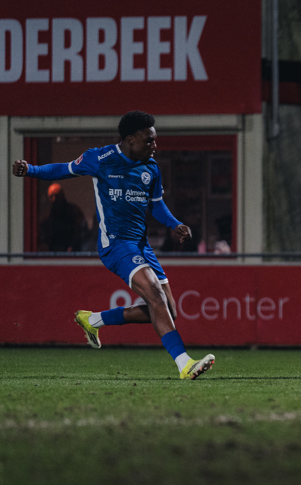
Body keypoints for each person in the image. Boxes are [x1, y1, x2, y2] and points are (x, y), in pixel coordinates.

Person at [12, 111, 215, 380]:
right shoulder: (100, 158)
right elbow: (64, 169)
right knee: (155, 295)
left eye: (155, 140)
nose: (155, 146)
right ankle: (185, 364)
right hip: (116, 245)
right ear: (130, 140)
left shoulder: (151, 168)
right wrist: (31, 170)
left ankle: (93, 320)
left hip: (142, 247)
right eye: (149, 141)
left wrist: (175, 224)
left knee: (169, 310)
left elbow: (157, 206)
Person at [41, 183, 88, 252]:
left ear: (62, 195)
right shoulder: (47, 217)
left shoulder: (74, 212)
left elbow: (82, 231)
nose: (54, 199)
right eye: (51, 196)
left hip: (74, 255)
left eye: (56, 195)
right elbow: (44, 238)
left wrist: (73, 246)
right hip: (53, 256)